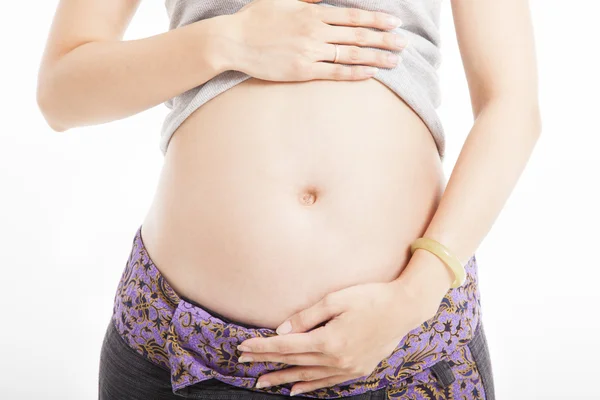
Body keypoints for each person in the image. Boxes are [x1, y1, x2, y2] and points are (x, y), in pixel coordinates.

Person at [36, 0, 541, 399]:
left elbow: (512, 105)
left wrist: (413, 296)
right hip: (187, 352)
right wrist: (226, 40)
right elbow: (61, 93)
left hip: (403, 340)